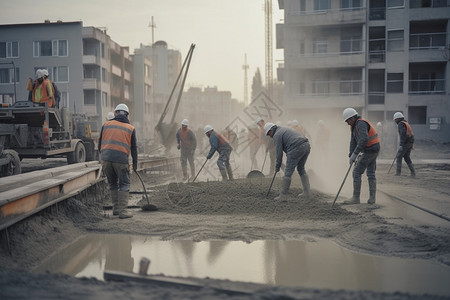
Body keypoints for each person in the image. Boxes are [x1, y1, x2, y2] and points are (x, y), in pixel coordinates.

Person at [98, 103, 138, 219]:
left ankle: (115, 209)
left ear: (115, 113)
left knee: (112, 184)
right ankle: (123, 212)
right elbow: (134, 149)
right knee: (124, 184)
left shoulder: (106, 125)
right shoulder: (130, 128)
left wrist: (104, 158)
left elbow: (100, 144)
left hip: (106, 159)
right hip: (121, 160)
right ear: (127, 115)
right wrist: (134, 165)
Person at [264, 122, 311, 201]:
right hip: (306, 146)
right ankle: (307, 192)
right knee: (301, 168)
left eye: (269, 133)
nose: (269, 135)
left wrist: (277, 166)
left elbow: (278, 153)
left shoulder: (277, 135)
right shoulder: (283, 129)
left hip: (295, 148)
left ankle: (283, 195)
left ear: (272, 129)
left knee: (288, 172)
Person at [342, 108, 380, 205]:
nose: (347, 123)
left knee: (356, 172)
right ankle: (372, 199)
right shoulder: (354, 126)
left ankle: (356, 198)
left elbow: (363, 139)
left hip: (370, 150)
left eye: (347, 121)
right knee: (371, 173)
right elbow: (353, 141)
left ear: (352, 118)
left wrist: (355, 154)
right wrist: (351, 154)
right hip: (373, 149)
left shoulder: (360, 124)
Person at [393, 112, 416, 178]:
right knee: (406, 157)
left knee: (399, 157)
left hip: (406, 143)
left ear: (397, 119)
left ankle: (398, 173)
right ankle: (413, 173)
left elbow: (403, 134)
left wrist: (401, 145)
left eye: (395, 120)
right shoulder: (405, 123)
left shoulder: (401, 124)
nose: (395, 121)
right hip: (410, 142)